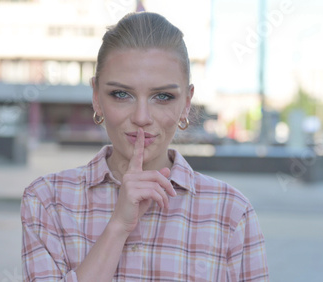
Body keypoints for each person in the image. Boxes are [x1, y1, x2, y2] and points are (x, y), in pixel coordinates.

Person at [21, 12, 269, 281]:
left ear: (186, 102)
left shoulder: (230, 212)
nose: (141, 117)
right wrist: (118, 227)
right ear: (96, 97)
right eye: (121, 94)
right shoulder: (47, 200)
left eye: (162, 96)